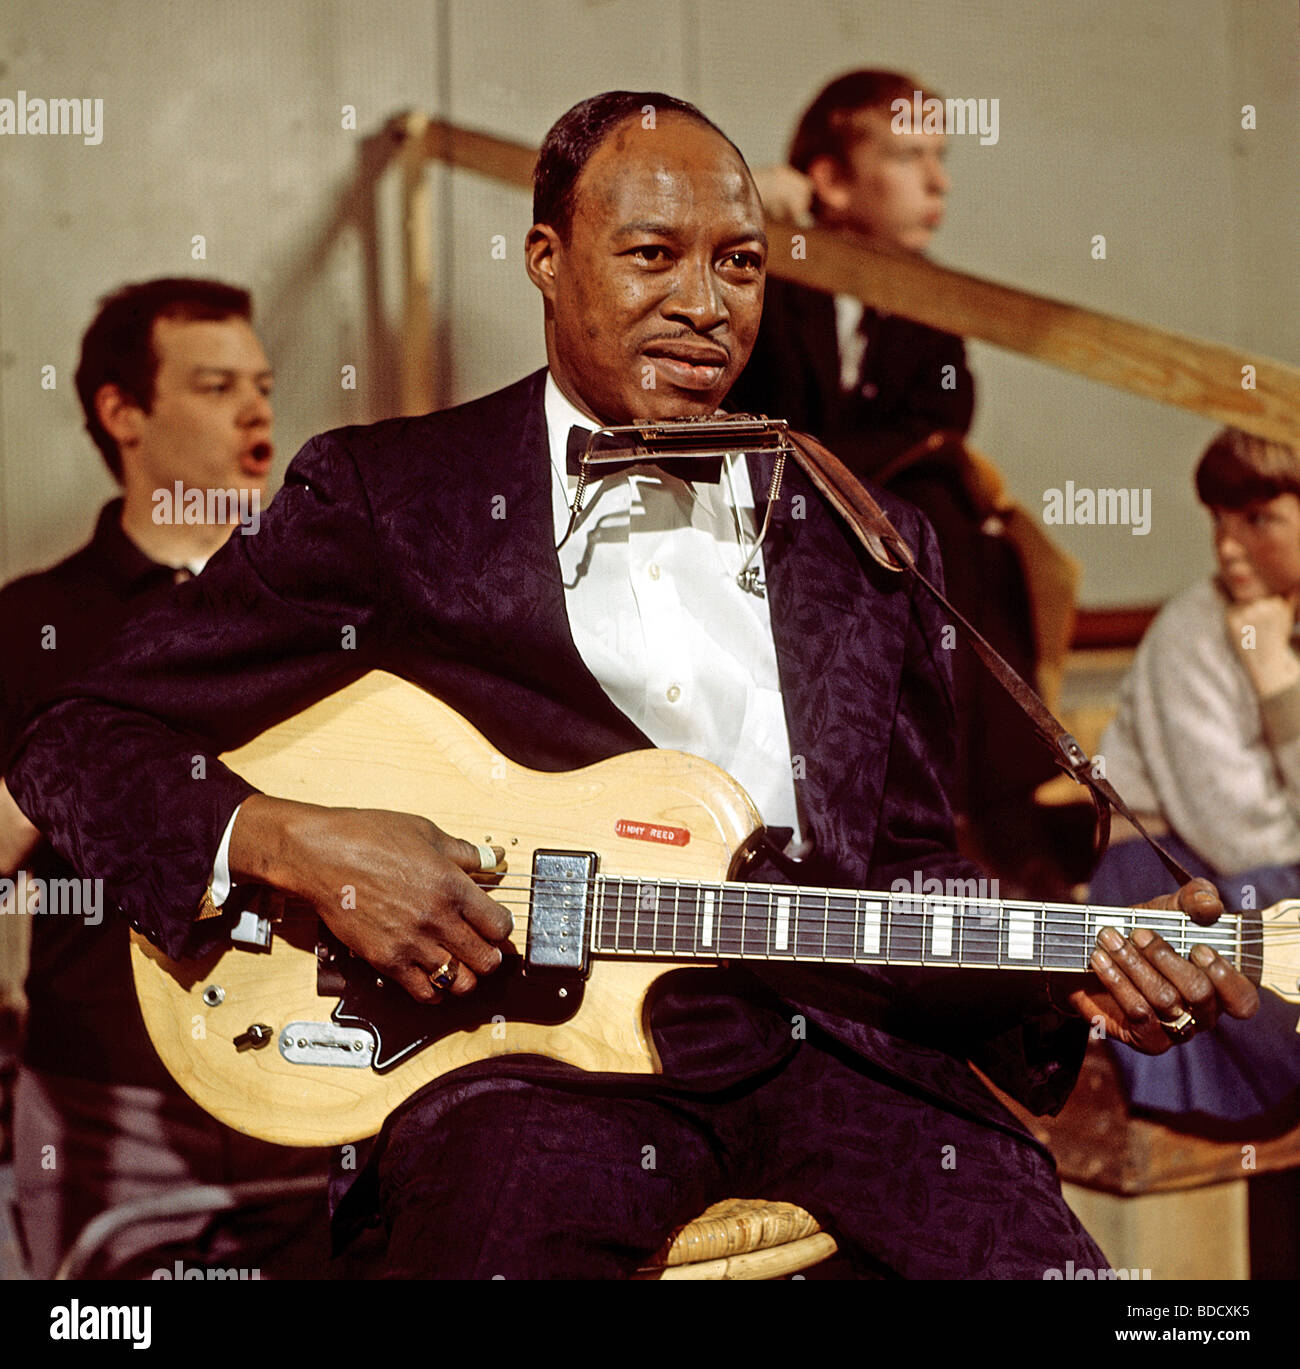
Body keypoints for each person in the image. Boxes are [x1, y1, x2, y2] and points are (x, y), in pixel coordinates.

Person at [5, 94, 1257, 1280]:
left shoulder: (869, 534)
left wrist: (1074, 982)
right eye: (652, 254)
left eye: (741, 266)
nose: (704, 305)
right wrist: (295, 840)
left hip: (841, 1051)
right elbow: (75, 732)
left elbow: (905, 868)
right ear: (546, 257)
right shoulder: (395, 496)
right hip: (520, 1076)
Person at [0, 278, 329, 1279]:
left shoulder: (323, 612)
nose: (256, 409)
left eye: (264, 384)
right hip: (110, 1111)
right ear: (122, 412)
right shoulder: (28, 624)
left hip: (311, 1095)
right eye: (217, 383)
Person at [729, 70, 1082, 894]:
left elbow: (940, 423)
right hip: (772, 520)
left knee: (964, 531)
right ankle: (957, 816)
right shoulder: (766, 265)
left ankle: (979, 809)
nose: (939, 180)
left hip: (890, 528)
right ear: (829, 179)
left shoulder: (929, 300)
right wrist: (752, 204)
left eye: (941, 156)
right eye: (907, 155)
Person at [1091, 427, 1300, 1123]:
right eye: (1218, 520)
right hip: (1172, 887)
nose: (1228, 546)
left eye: (1258, 520)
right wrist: (1277, 687)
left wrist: (1279, 682)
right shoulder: (1191, 633)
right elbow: (1248, 839)